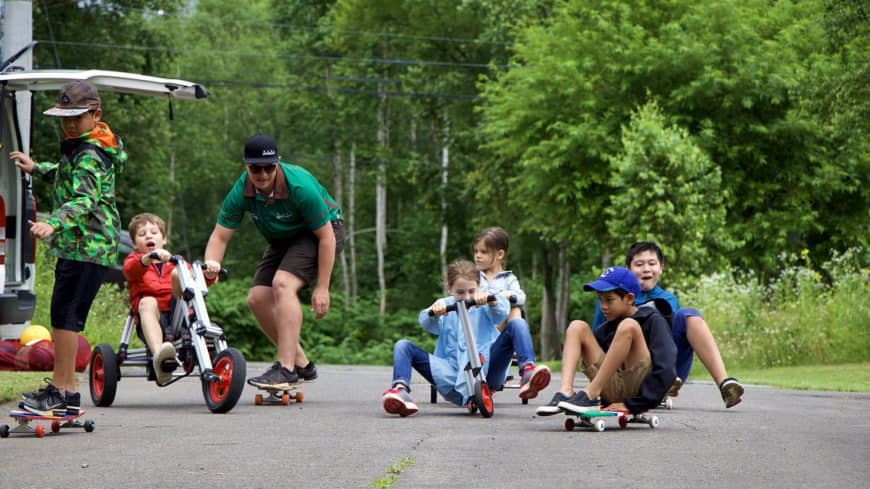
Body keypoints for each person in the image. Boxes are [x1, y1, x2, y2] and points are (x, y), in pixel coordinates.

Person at [11, 81, 127, 416]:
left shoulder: (90, 153)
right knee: (65, 318)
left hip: (85, 246)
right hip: (81, 247)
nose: (70, 124)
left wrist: (54, 223)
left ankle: (61, 392)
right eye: (64, 117)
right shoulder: (85, 147)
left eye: (77, 116)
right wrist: (38, 169)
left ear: (96, 114)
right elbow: (67, 176)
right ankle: (66, 391)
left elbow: (84, 198)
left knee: (66, 317)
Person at [204, 133, 344, 390]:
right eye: (255, 168)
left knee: (282, 284)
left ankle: (286, 369)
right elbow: (220, 236)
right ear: (246, 165)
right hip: (284, 240)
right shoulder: (242, 190)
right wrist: (210, 265)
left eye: (269, 167)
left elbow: (326, 236)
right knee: (257, 298)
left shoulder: (299, 185)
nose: (263, 174)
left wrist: (322, 288)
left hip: (322, 233)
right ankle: (301, 363)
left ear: (278, 162)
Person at [383, 259, 548, 416]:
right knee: (403, 345)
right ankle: (400, 390)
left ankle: (527, 373)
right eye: (460, 292)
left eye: (471, 291)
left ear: (479, 286)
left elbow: (500, 313)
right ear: (449, 288)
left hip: (488, 371)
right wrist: (434, 312)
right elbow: (426, 322)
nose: (467, 297)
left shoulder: (484, 303)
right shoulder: (446, 304)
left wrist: (491, 302)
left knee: (517, 323)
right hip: (451, 375)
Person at [592, 242, 744, 408]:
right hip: (629, 371)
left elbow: (668, 343)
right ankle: (654, 388)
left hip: (665, 366)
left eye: (652, 263)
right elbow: (596, 346)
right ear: (628, 269)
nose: (646, 269)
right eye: (639, 264)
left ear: (661, 268)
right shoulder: (609, 300)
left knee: (689, 315)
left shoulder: (668, 300)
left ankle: (724, 383)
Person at [536, 266, 677, 415]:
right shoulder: (606, 329)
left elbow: (666, 366)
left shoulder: (653, 320)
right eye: (600, 299)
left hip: (638, 390)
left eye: (609, 300)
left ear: (629, 298)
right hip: (611, 389)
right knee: (577, 326)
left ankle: (590, 394)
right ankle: (565, 392)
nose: (603, 306)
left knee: (628, 325)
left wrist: (637, 403)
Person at [122, 213, 217, 384]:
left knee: (178, 274)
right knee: (148, 301)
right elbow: (130, 270)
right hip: (152, 318)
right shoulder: (135, 260)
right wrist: (148, 258)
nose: (149, 236)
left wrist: (209, 274)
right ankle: (160, 356)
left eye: (154, 232)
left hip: (178, 316)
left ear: (164, 239)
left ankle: (200, 349)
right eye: (142, 235)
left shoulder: (177, 263)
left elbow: (195, 282)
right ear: (135, 244)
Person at [472, 227, 549, 399]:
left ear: (500, 254)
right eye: (476, 251)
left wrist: (502, 297)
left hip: (497, 343)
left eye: (483, 252)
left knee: (514, 306)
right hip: (477, 339)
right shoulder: (473, 277)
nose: (477, 256)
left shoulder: (508, 279)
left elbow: (520, 297)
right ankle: (519, 351)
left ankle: (527, 371)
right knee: (508, 306)